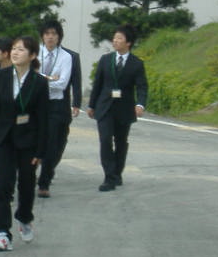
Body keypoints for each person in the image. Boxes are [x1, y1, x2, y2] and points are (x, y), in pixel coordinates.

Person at [0, 35, 49, 252]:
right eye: (13, 48)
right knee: (2, 184)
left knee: (26, 183)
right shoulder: (0, 76)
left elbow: (43, 118)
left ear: (32, 55)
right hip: (2, 138)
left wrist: (41, 150)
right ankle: (2, 233)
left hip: (28, 140)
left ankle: (24, 216)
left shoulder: (39, 82)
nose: (15, 52)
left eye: (21, 49)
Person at [87, 25, 148, 192]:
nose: (115, 41)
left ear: (128, 42)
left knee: (121, 142)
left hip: (124, 109)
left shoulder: (136, 64)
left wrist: (140, 104)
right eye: (114, 38)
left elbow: (142, 87)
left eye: (119, 38)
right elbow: (98, 84)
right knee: (105, 140)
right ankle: (109, 177)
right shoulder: (105, 60)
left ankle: (117, 172)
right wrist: (91, 105)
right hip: (105, 107)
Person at [36, 20, 74, 198]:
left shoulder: (66, 57)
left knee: (52, 144)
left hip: (56, 105)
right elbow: (30, 77)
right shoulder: (35, 53)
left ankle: (44, 182)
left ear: (59, 37)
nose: (50, 37)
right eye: (47, 34)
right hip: (37, 102)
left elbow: (62, 84)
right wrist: (50, 78)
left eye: (54, 34)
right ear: (42, 36)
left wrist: (41, 79)